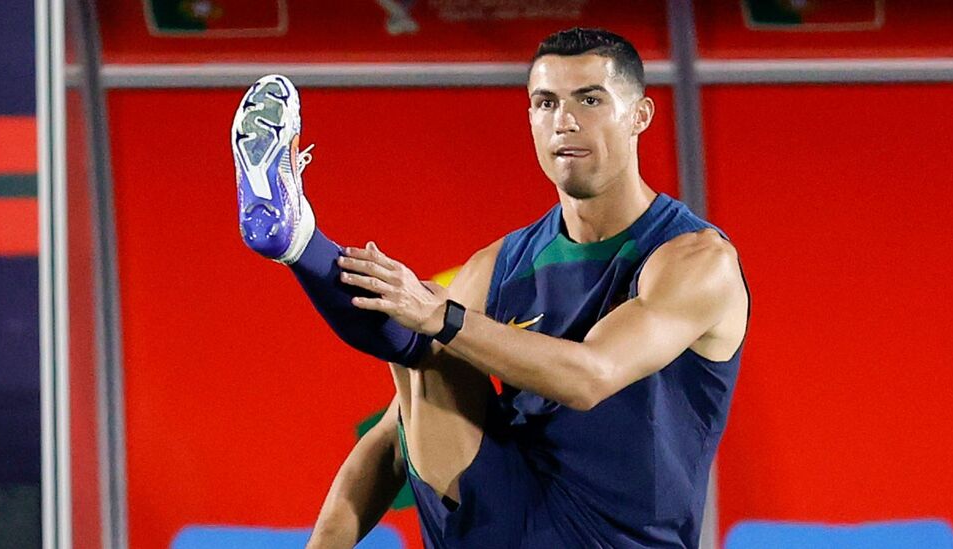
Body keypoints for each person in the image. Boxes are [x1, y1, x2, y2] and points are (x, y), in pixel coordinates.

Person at [230, 27, 748, 549]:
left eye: (589, 100)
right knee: (424, 359)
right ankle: (294, 240)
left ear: (640, 115)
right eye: (546, 103)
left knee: (431, 333)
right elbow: (393, 441)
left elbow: (590, 376)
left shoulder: (695, 260)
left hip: (612, 540)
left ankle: (304, 244)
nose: (564, 121)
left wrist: (443, 318)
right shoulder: (500, 264)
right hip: (503, 523)